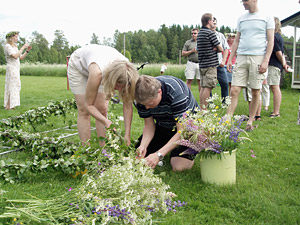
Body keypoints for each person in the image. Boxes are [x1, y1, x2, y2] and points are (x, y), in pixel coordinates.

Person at [67, 44, 139, 145]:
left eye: (121, 87)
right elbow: (89, 105)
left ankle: (104, 151)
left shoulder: (127, 72)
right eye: (117, 85)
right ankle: (85, 150)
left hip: (102, 67)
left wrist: (127, 134)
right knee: (83, 110)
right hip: (79, 66)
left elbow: (127, 105)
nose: (118, 90)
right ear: (112, 79)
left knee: (102, 110)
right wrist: (106, 122)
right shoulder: (97, 72)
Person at [226, 0, 275, 131]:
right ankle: (227, 119)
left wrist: (266, 60)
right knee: (234, 90)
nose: (243, 3)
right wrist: (230, 59)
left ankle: (251, 121)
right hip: (241, 57)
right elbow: (236, 40)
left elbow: (271, 41)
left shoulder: (267, 18)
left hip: (258, 57)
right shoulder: (241, 19)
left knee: (255, 90)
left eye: (245, 0)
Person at [134, 75, 199, 171]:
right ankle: (168, 147)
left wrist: (159, 154)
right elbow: (149, 126)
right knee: (139, 156)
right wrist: (143, 146)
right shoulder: (140, 98)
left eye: (150, 103)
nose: (147, 107)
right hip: (165, 125)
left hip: (188, 130)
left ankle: (189, 148)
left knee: (179, 167)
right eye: (144, 105)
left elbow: (182, 132)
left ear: (159, 92)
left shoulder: (176, 93)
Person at [197, 13, 223, 108]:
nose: (213, 22)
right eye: (212, 20)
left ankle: (201, 108)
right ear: (209, 21)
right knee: (208, 87)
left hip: (202, 64)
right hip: (210, 64)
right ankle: (204, 110)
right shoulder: (210, 33)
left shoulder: (200, 33)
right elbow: (220, 48)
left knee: (203, 87)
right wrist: (215, 48)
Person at [4, 31, 32, 110]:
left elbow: (21, 57)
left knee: (16, 86)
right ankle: (8, 105)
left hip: (16, 68)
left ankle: (12, 105)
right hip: (11, 68)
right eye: (16, 37)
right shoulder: (7, 46)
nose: (17, 38)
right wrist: (22, 47)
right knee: (11, 86)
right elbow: (15, 56)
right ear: (11, 38)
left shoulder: (15, 47)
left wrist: (27, 51)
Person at [268, 17, 289, 118]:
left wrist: (283, 63)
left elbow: (279, 53)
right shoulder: (278, 36)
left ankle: (276, 112)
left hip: (274, 65)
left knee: (275, 87)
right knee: (274, 87)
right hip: (275, 65)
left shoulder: (274, 37)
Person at [211, 17, 229, 102]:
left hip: (219, 64)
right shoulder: (204, 34)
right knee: (209, 85)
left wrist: (224, 61)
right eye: (212, 23)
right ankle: (209, 103)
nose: (213, 25)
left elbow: (226, 48)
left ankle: (225, 103)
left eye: (215, 23)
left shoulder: (220, 35)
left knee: (225, 83)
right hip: (209, 64)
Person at [182, 28, 201, 96]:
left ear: (198, 34)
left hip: (200, 63)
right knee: (189, 80)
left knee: (200, 81)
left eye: (195, 33)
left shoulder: (201, 41)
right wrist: (191, 51)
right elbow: (183, 53)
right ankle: (188, 97)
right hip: (191, 63)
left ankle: (201, 97)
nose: (193, 35)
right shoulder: (188, 42)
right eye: (192, 33)